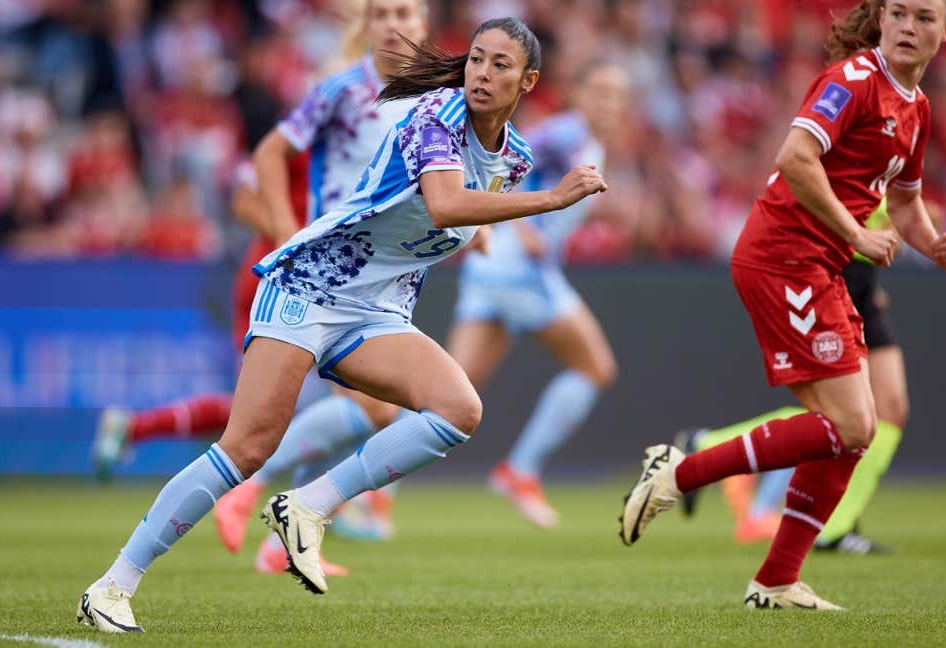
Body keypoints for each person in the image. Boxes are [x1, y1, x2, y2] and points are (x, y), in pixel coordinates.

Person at [77, 17, 607, 633]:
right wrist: (548, 201)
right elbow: (443, 203)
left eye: (500, 65)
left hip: (375, 311)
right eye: (477, 60)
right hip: (310, 285)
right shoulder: (436, 115)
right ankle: (114, 584)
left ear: (528, 81)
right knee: (247, 446)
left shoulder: (511, 159)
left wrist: (482, 232)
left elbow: (454, 214)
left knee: (459, 408)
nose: (483, 75)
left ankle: (307, 506)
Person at [617, 0, 946, 611]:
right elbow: (794, 158)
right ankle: (678, 470)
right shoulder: (854, 80)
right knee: (855, 423)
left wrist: (933, 243)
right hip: (783, 256)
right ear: (882, 20)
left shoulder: (917, 108)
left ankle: (776, 578)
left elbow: (906, 203)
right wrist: (856, 234)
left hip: (817, 265)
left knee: (854, 432)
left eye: (926, 18)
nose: (911, 27)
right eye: (901, 14)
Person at [86, 0, 427, 485]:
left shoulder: (373, 142)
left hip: (326, 279)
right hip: (278, 275)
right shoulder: (314, 133)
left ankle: (321, 498)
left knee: (318, 405)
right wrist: (291, 231)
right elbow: (243, 198)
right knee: (269, 411)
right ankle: (150, 435)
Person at [208, 0, 432, 571]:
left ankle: (283, 536)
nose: (394, 24)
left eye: (405, 12)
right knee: (378, 411)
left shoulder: (434, 102)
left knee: (379, 411)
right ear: (369, 26)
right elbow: (258, 165)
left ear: (424, 23)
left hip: (384, 280)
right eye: (382, 14)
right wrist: (288, 234)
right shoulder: (341, 94)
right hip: (331, 276)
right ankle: (254, 490)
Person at [445, 63, 629, 528]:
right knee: (595, 366)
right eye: (600, 91)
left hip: (491, 268)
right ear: (579, 94)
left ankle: (371, 493)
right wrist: (522, 225)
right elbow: (503, 166)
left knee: (449, 392)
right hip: (520, 269)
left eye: (616, 96)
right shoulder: (564, 133)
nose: (607, 103)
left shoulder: (589, 142)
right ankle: (520, 470)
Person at [678, 199, 909, 554]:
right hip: (834, 259)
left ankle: (835, 527)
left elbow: (898, 200)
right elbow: (806, 176)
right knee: (839, 414)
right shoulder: (830, 147)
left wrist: (919, 226)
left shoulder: (905, 147)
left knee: (889, 408)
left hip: (864, 269)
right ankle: (705, 450)